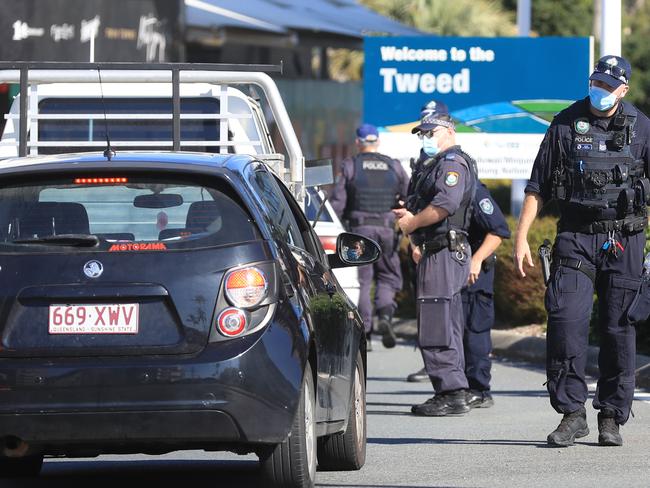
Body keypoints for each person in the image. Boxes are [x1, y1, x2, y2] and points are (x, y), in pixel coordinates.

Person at [514, 55, 650, 447]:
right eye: (596, 82)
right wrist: (521, 237)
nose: (600, 91)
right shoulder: (564, 123)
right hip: (575, 236)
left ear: (623, 90)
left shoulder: (642, 127)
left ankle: (611, 415)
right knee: (565, 322)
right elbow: (537, 185)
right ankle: (572, 413)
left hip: (624, 238)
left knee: (618, 329)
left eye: (608, 86)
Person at [394, 104, 478, 416]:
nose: (426, 137)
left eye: (432, 132)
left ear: (450, 131)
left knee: (435, 322)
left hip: (444, 249)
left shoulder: (452, 162)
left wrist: (412, 223)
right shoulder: (436, 163)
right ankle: (454, 388)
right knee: (447, 321)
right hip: (439, 248)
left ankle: (451, 391)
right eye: (423, 132)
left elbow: (445, 205)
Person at [406, 180, 510, 409]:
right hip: (449, 269)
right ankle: (457, 388)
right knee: (451, 331)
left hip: (475, 272)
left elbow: (498, 231)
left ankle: (479, 390)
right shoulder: (437, 195)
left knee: (474, 332)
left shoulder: (474, 191)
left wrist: (477, 259)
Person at [330, 123, 409, 349]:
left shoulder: (350, 166)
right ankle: (385, 315)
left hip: (359, 232)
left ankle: (365, 332)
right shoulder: (394, 166)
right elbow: (408, 196)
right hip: (386, 229)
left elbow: (338, 203)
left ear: (358, 142)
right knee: (388, 276)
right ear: (378, 142)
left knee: (363, 280)